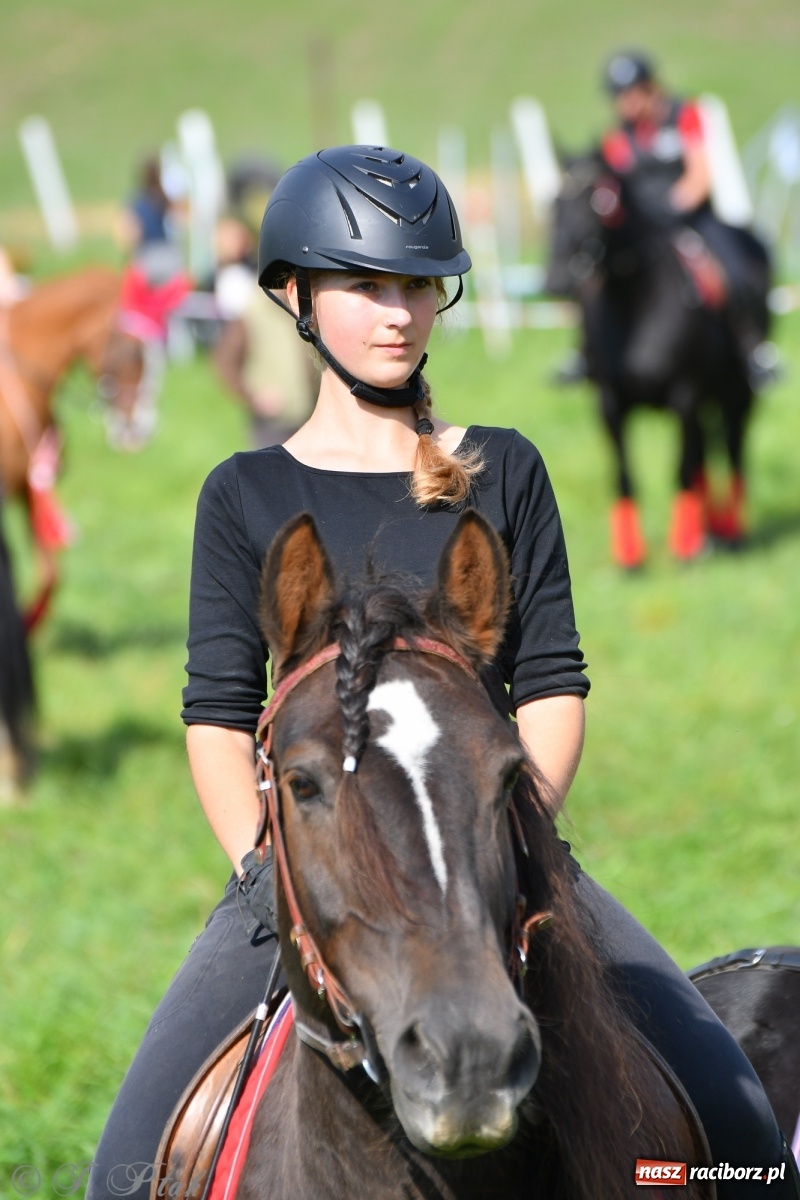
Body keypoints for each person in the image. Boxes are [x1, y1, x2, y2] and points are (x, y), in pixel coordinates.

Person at [86, 146, 799, 1199]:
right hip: (307, 874)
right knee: (126, 1166)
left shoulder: (502, 467)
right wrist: (266, 863)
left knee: (733, 1126)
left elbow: (551, 683)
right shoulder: (242, 493)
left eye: (419, 285)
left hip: (494, 853)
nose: (398, 312)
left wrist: (502, 843)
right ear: (293, 293)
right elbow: (215, 712)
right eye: (366, 285)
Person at [601, 50, 775, 386]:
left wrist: (673, 204)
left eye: (630, 93)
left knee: (734, 269)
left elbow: (700, 173)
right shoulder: (617, 137)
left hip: (691, 218)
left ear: (649, 88)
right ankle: (588, 353)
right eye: (618, 96)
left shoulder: (685, 115)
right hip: (644, 229)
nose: (624, 103)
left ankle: (752, 348)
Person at [213, 216, 316, 448]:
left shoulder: (304, 307)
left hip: (309, 421)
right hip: (271, 427)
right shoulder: (251, 309)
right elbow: (224, 362)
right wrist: (253, 396)